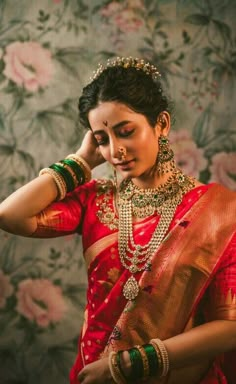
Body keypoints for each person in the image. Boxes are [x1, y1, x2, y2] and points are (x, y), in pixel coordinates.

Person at [0, 56, 235, 384]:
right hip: (91, 371)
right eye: (102, 139)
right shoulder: (96, 199)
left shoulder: (219, 212)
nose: (115, 150)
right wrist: (81, 161)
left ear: (162, 124)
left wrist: (128, 365)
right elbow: (11, 215)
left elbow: (230, 328)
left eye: (126, 132)